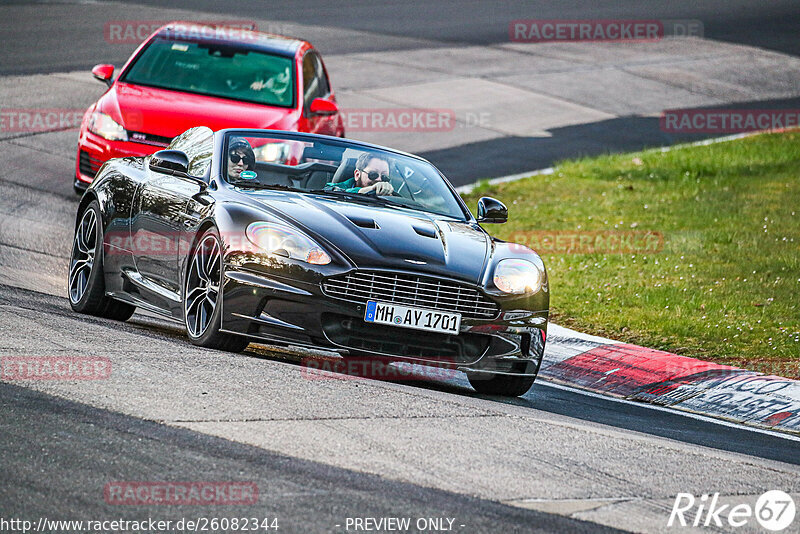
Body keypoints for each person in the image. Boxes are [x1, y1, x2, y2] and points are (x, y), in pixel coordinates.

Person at [326, 152, 394, 195]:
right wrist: (370, 189)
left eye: (384, 176)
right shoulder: (336, 188)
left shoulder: (391, 195)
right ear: (357, 174)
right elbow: (326, 191)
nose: (379, 179)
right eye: (373, 174)